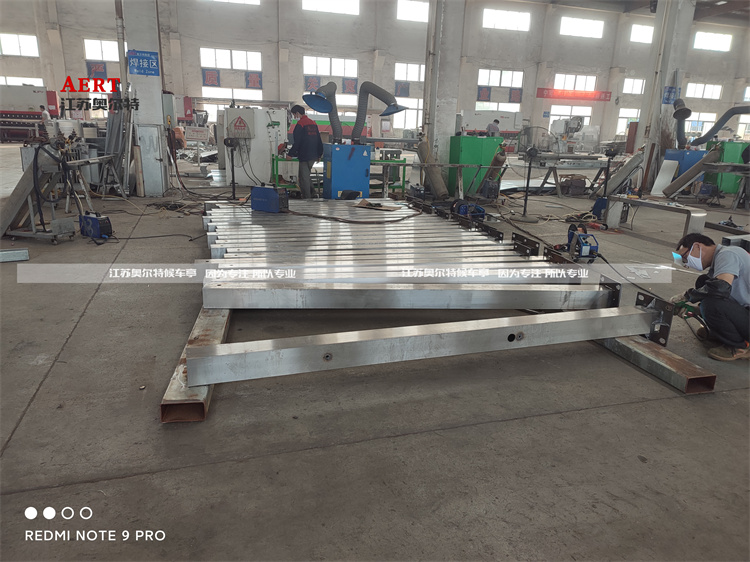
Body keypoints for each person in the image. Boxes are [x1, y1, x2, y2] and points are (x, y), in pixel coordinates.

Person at [670, 233, 750, 361]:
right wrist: (696, 310)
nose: (687, 264)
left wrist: (688, 296)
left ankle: (739, 347)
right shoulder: (718, 262)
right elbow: (726, 295)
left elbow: (721, 288)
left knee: (711, 304)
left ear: (697, 246)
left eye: (685, 258)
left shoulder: (728, 254)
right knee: (704, 283)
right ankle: (723, 333)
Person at [288, 104, 323, 199]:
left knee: (304, 178)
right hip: (314, 155)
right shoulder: (313, 123)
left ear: (297, 113)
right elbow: (319, 139)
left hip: (304, 155)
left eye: (294, 115)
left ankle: (307, 198)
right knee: (306, 175)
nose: (295, 117)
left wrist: (290, 154)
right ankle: (313, 194)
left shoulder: (300, 124)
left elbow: (297, 142)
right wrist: (319, 154)